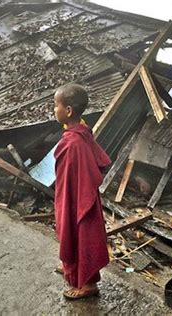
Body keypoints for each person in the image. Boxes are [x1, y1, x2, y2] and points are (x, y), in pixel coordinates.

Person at [53, 83, 111, 300]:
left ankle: (87, 285)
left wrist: (67, 201)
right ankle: (71, 265)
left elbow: (77, 175)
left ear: (68, 111)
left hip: (79, 198)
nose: (54, 110)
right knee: (70, 230)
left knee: (80, 232)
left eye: (56, 105)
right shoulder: (81, 131)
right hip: (76, 193)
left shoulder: (75, 142)